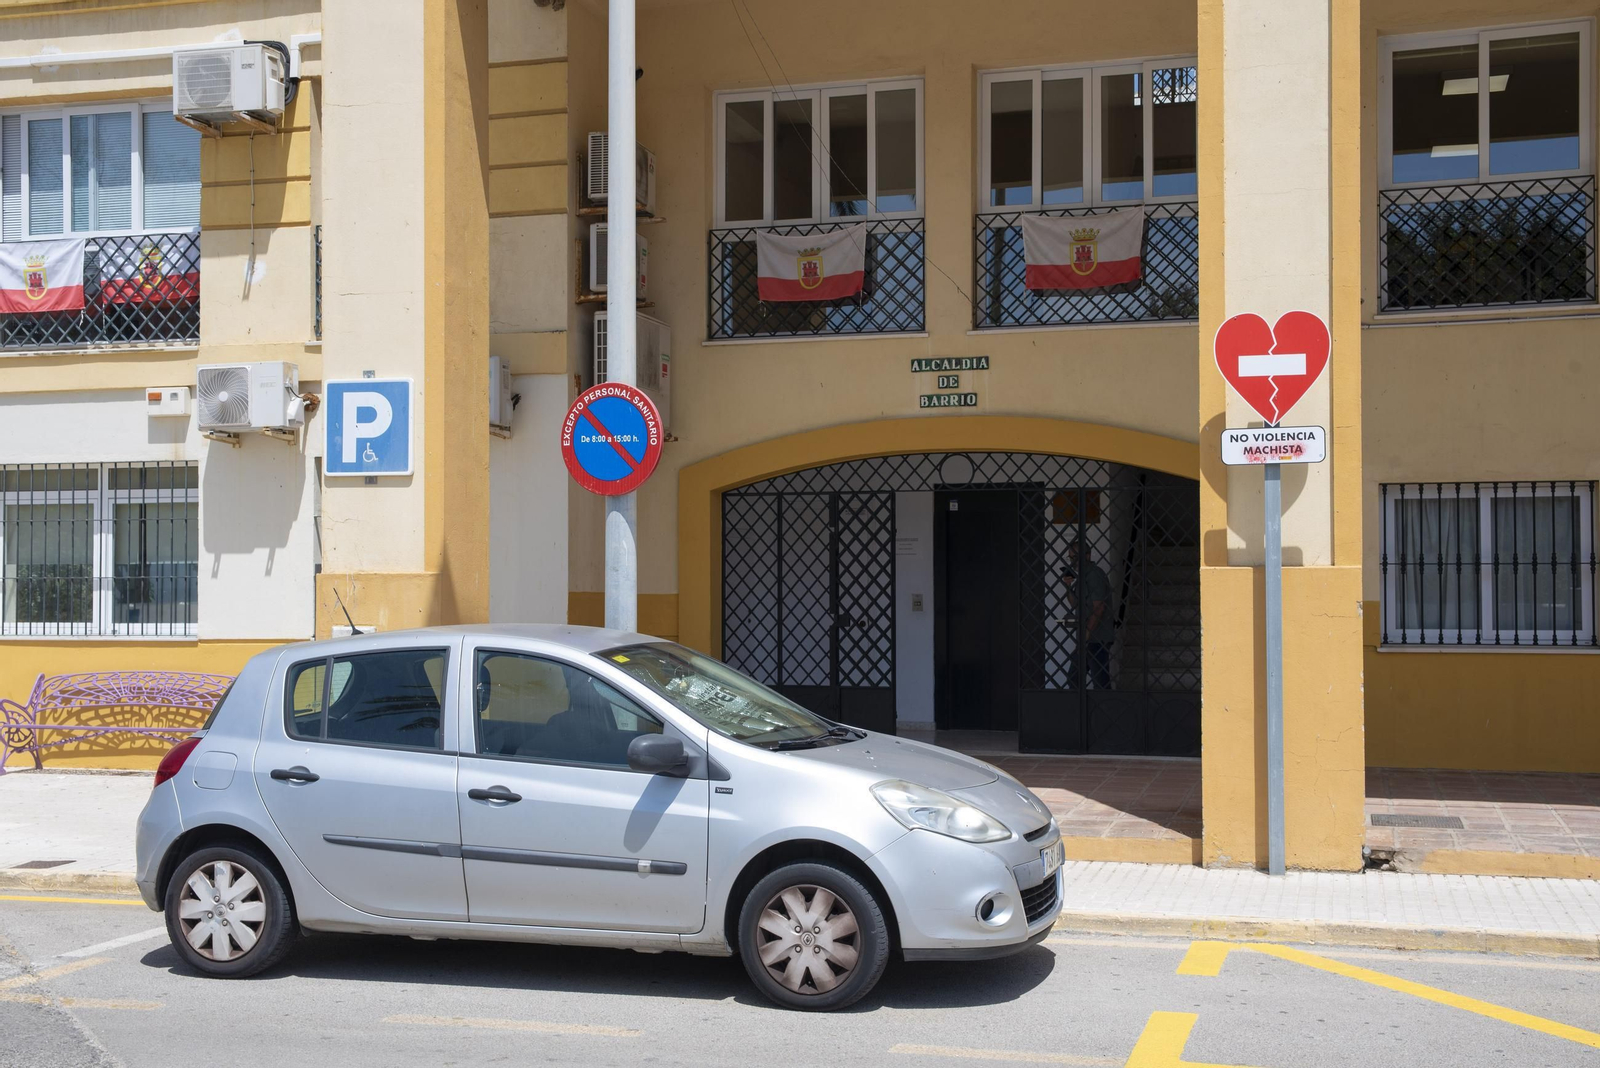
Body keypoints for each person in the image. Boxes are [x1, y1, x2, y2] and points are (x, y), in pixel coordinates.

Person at [1063, 541, 1114, 690]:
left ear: (1087, 556)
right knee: (1074, 680)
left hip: (1096, 638)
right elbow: (1075, 604)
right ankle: (1079, 711)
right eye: (1070, 558)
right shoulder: (1082, 577)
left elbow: (1099, 608)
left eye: (1075, 557)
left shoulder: (1094, 575)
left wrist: (1086, 634)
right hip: (1087, 639)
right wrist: (1068, 586)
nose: (1073, 562)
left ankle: (1106, 711)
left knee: (1100, 683)